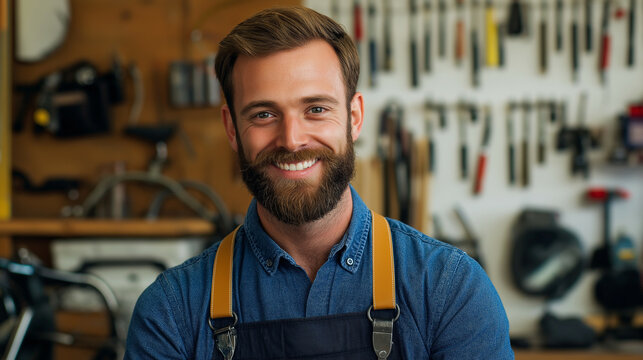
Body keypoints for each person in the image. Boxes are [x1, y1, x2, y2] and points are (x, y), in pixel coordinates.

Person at [125, 6, 513, 359]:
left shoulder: (448, 289)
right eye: (263, 114)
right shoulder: (173, 310)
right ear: (232, 128)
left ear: (355, 116)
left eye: (316, 109)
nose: (292, 139)